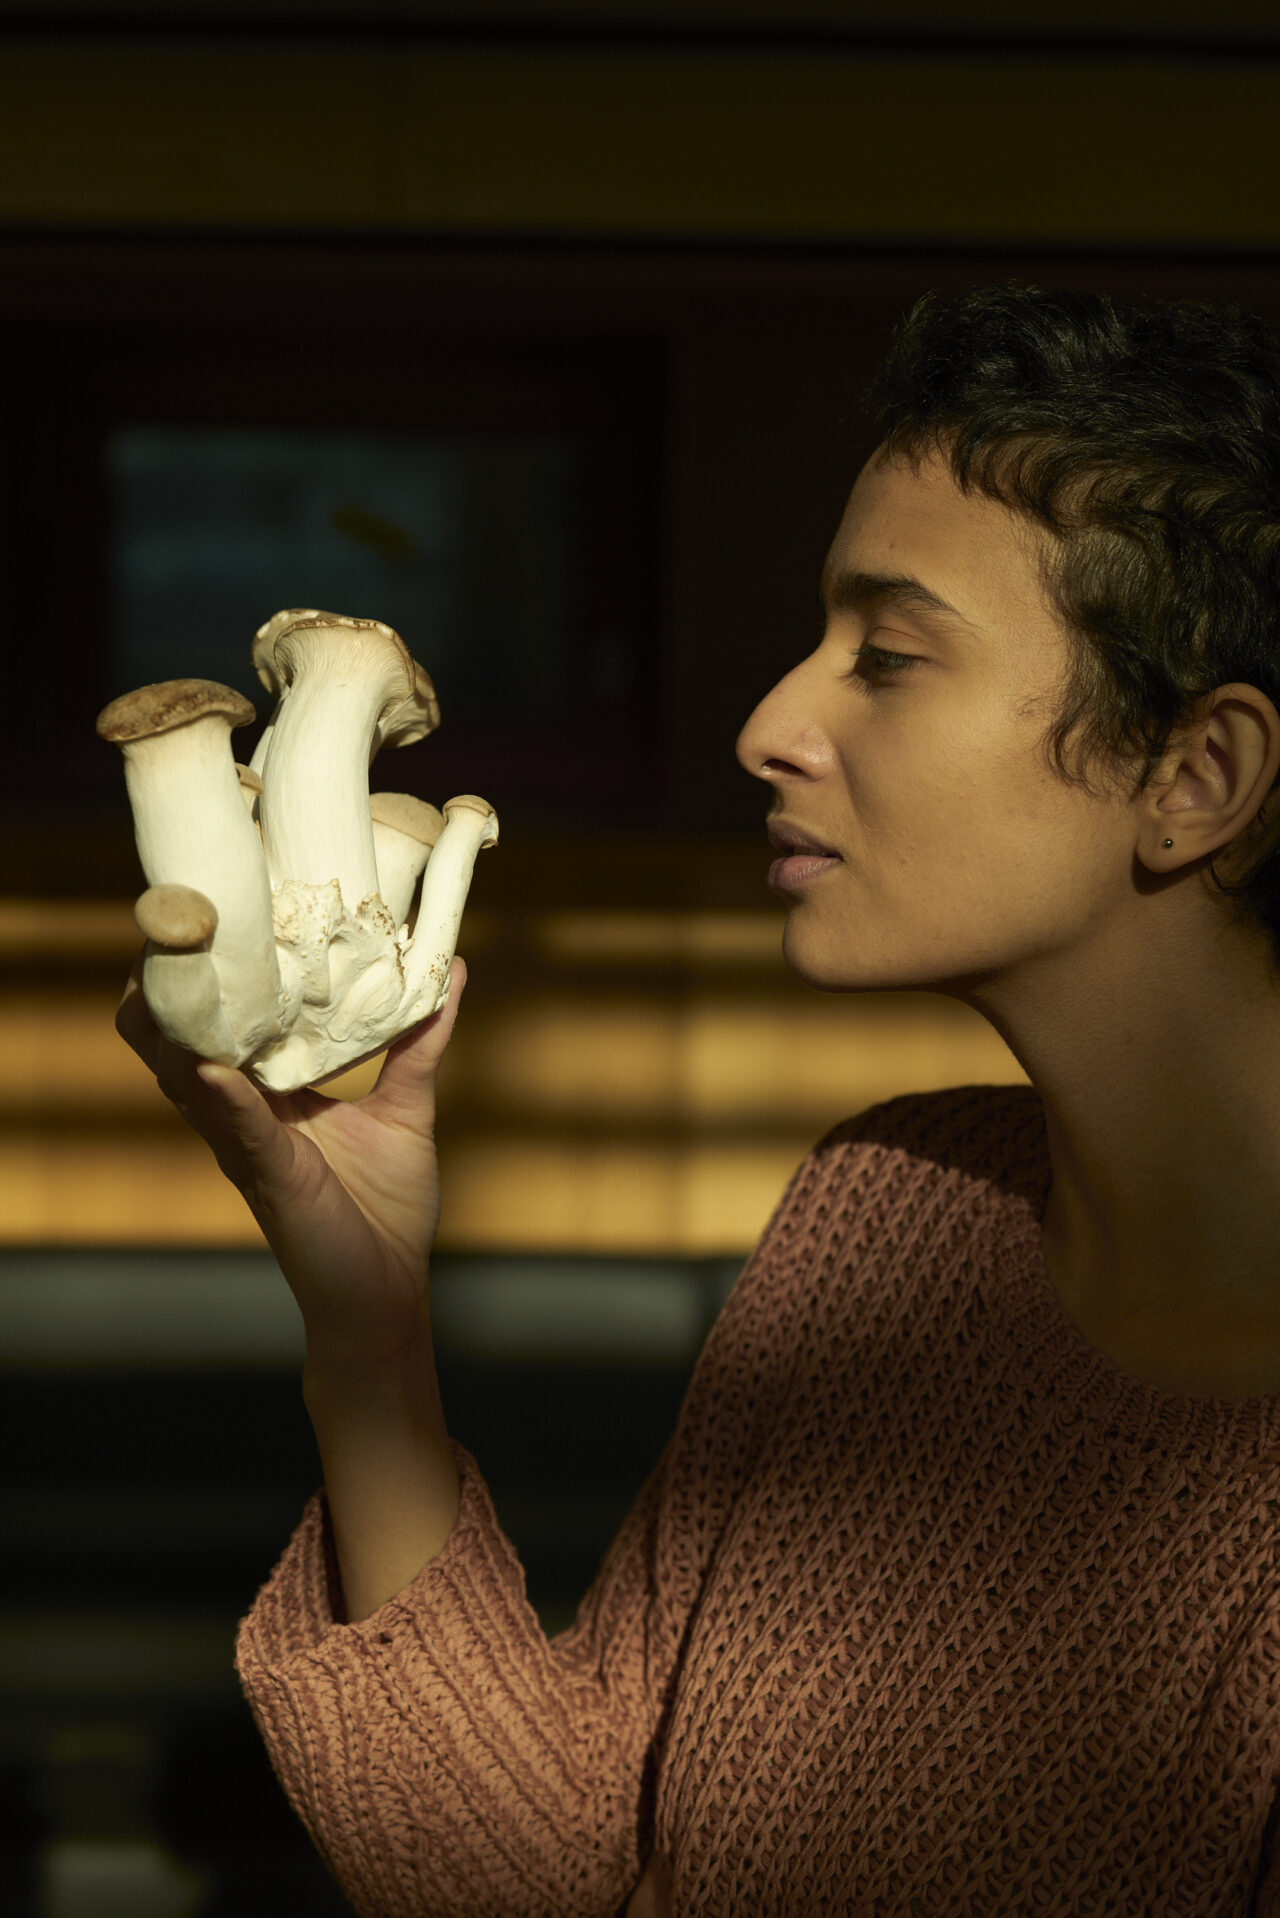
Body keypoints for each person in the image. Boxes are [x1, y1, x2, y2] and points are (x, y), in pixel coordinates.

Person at [118, 283, 1280, 1916]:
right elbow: (531, 1870)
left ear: (1195, 777)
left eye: (884, 655)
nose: (766, 725)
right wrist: (370, 1335)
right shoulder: (886, 1207)